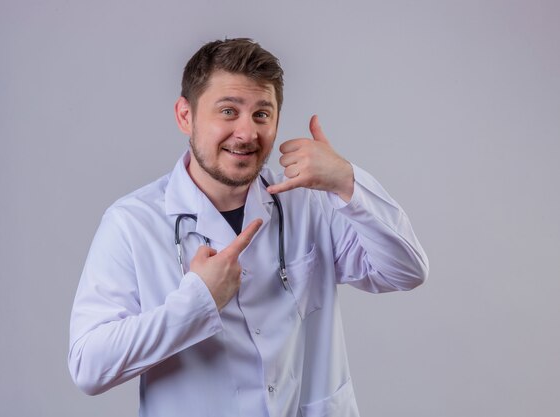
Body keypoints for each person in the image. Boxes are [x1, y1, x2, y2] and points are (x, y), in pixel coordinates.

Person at [68, 38, 429, 417]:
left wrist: (346, 180)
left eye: (262, 114)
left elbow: (406, 271)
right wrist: (198, 301)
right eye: (228, 111)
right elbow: (89, 366)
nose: (247, 133)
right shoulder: (132, 223)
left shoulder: (307, 201)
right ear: (185, 116)